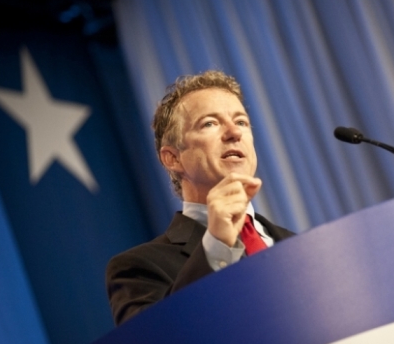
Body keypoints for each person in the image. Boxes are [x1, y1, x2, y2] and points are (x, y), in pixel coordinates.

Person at [106, 71, 294, 326]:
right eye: (209, 124)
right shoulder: (138, 267)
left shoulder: (296, 244)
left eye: (241, 122)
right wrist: (217, 243)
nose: (233, 133)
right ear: (172, 158)